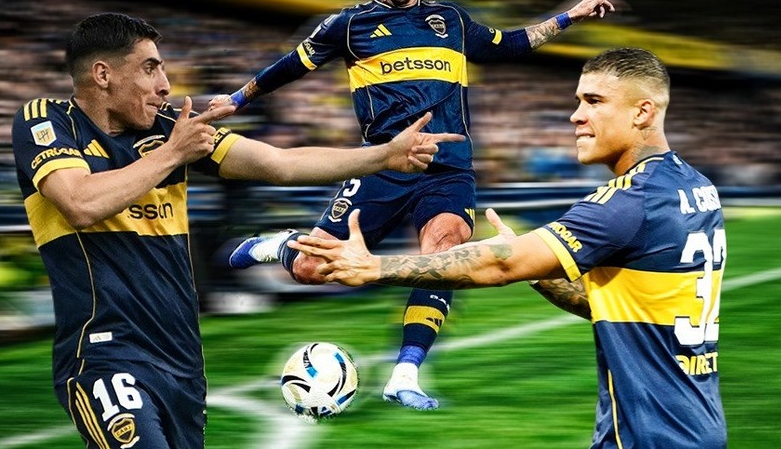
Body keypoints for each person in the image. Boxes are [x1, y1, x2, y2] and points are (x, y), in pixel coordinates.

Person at [10, 12, 462, 449]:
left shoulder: (169, 129)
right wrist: (173, 154)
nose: (164, 85)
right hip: (105, 350)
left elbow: (279, 163)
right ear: (103, 74)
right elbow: (80, 203)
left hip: (182, 358)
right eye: (150, 69)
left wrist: (383, 156)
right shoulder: (47, 119)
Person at [216, 0, 618, 410]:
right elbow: (289, 66)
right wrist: (237, 99)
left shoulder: (451, 20)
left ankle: (405, 375)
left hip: (448, 170)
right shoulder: (348, 26)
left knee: (443, 257)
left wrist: (571, 16)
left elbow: (510, 43)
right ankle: (280, 245)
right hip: (382, 166)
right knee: (312, 268)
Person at [292, 48, 728, 448]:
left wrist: (374, 267)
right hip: (698, 427)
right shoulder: (695, 188)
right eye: (578, 101)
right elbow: (617, 307)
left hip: (647, 437)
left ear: (642, 112)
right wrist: (537, 272)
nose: (576, 116)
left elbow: (499, 266)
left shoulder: (629, 200)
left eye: (594, 101)